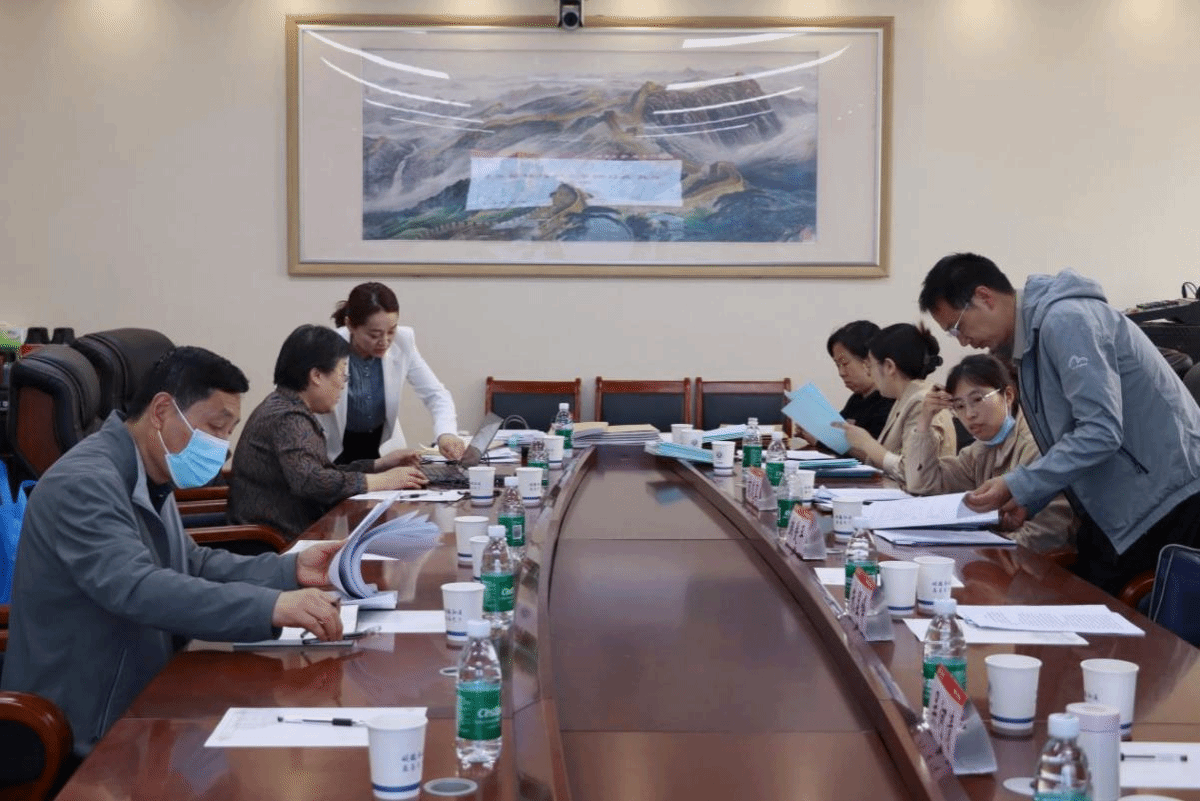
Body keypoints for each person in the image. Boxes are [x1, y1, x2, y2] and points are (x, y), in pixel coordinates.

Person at [0, 347, 348, 757]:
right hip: (79, 724)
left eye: (228, 432)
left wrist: (290, 571)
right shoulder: (84, 483)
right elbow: (137, 588)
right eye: (215, 428)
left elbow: (191, 563)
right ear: (162, 411)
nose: (222, 446)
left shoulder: (148, 470)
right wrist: (272, 606)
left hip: (143, 689)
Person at [919, 252, 1200, 595]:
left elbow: (1101, 432)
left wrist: (1018, 483)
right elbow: (1070, 441)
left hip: (1165, 502)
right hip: (1120, 507)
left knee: (1104, 616)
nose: (963, 341)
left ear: (984, 297)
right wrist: (1029, 497)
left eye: (957, 327)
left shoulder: (1066, 321)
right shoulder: (1029, 344)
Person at [228, 325, 428, 539]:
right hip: (273, 543)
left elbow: (321, 472)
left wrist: (380, 464)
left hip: (287, 535)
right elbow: (311, 482)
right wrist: (383, 481)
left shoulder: (286, 406)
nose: (343, 384)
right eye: (342, 373)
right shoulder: (288, 417)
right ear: (316, 375)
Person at [905, 354, 1077, 553]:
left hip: (1036, 563)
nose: (969, 414)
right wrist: (924, 421)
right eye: (959, 406)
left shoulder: (1036, 445)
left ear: (1008, 396)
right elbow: (922, 483)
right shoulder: (978, 451)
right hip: (1000, 555)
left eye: (977, 399)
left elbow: (1050, 531)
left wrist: (990, 550)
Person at [319, 282, 464, 464]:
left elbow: (436, 394)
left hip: (383, 451)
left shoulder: (403, 342)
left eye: (391, 331)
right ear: (350, 325)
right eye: (374, 335)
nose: (385, 341)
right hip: (337, 452)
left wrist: (446, 433)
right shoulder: (326, 348)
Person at [835, 323, 956, 486]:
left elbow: (912, 472)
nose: (869, 373)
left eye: (870, 366)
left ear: (889, 367)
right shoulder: (904, 397)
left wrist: (866, 443)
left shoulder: (921, 402)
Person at [826, 320, 895, 439]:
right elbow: (834, 431)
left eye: (845, 363)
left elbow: (873, 448)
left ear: (870, 359)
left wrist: (818, 441)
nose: (841, 373)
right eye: (837, 365)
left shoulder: (890, 402)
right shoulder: (856, 399)